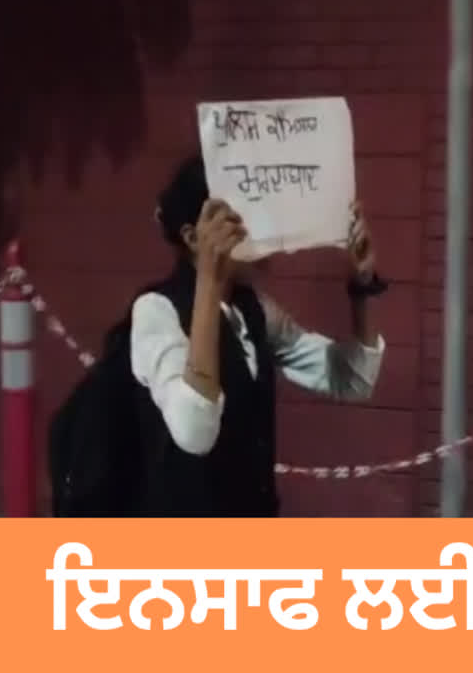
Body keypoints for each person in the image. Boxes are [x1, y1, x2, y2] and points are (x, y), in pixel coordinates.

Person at [129, 154, 388, 516]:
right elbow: (194, 430)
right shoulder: (155, 312)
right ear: (193, 237)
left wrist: (362, 285)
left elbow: (352, 379)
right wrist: (209, 277)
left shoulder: (253, 311)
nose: (261, 237)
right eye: (239, 224)